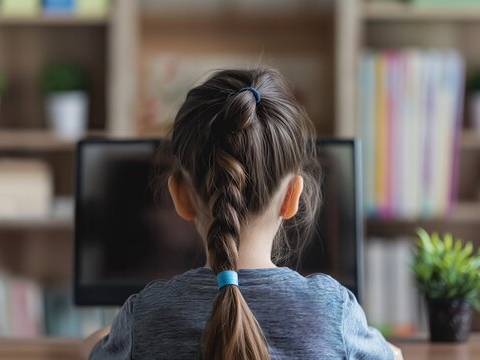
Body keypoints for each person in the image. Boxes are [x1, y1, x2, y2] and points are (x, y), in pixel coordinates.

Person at [85, 68, 402, 360]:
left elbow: (95, 351)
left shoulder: (144, 317)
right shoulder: (333, 311)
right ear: (292, 196)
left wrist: (105, 336)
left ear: (180, 197)